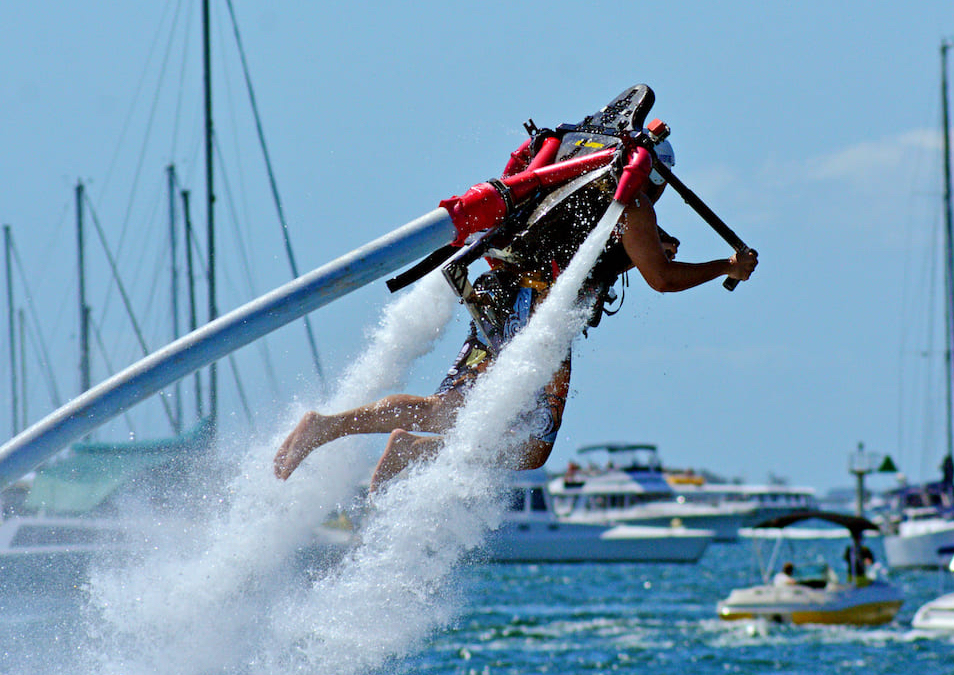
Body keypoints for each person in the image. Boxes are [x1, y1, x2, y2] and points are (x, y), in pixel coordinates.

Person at [273, 139, 758, 492]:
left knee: (449, 411)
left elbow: (597, 252)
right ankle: (410, 450)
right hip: (540, 314)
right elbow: (664, 280)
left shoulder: (580, 187)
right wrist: (726, 266)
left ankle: (332, 428)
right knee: (535, 443)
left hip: (503, 295)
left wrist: (646, 251)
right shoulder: (632, 208)